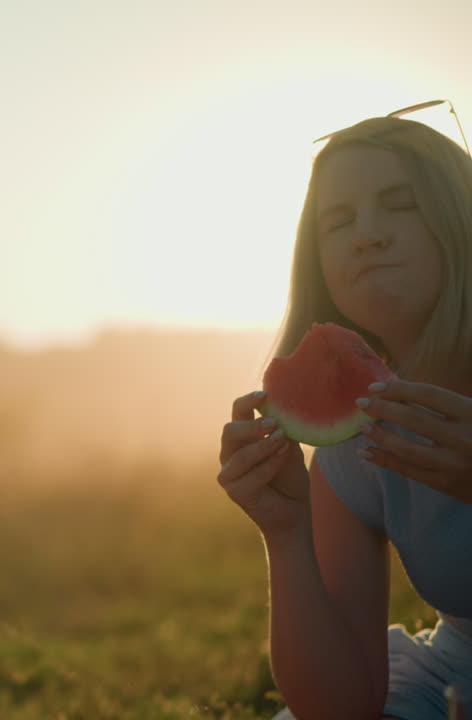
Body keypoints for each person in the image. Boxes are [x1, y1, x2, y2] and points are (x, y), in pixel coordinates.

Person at [217, 113, 472, 719]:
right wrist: (284, 536)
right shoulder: (357, 440)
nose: (366, 236)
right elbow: (340, 707)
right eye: (338, 220)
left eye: (400, 204)